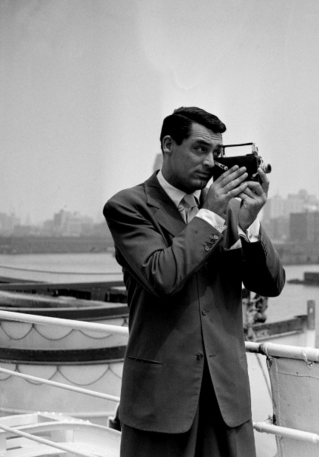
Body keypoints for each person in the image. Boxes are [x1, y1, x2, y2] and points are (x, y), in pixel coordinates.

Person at [103, 106, 285, 457]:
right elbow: (162, 276)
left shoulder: (227, 211)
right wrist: (212, 214)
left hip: (226, 398)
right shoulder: (128, 207)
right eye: (200, 149)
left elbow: (271, 284)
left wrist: (250, 225)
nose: (210, 162)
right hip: (160, 401)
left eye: (216, 152)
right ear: (168, 145)